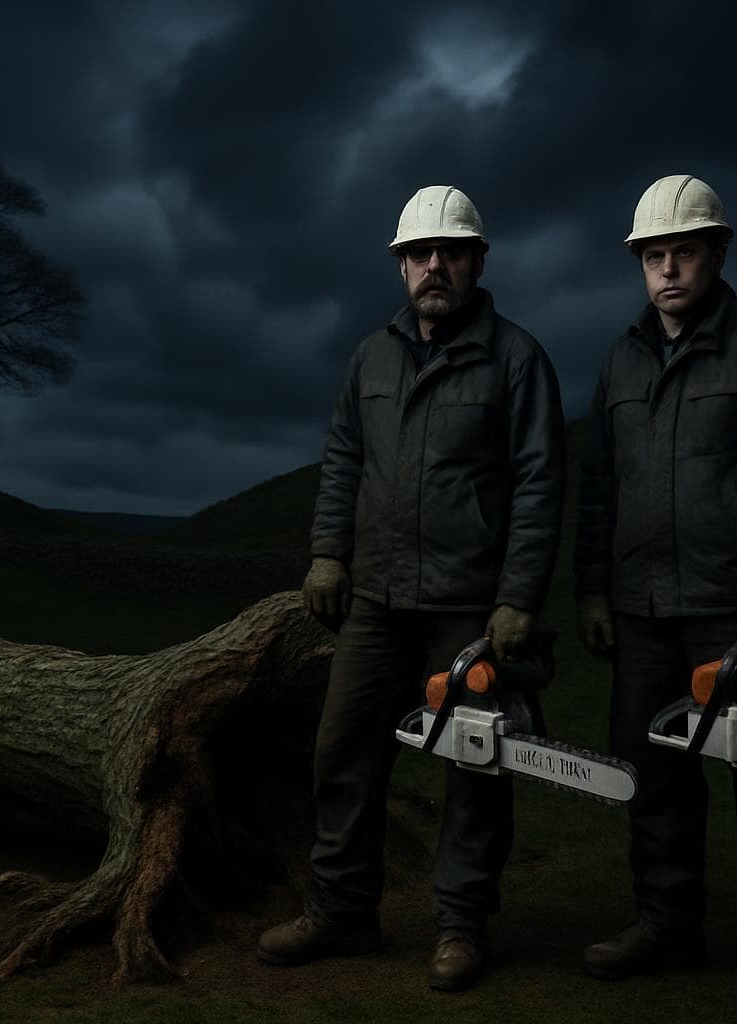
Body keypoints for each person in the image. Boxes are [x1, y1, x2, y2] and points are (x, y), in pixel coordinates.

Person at [256, 185, 566, 992]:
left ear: (476, 262)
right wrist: (329, 554)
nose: (435, 265)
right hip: (377, 599)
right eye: (420, 253)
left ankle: (461, 926)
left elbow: (540, 484)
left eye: (450, 252)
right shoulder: (372, 357)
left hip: (471, 604)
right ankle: (341, 912)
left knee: (474, 765)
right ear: (400, 265)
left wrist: (518, 598)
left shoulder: (517, 358)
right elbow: (342, 461)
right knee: (342, 751)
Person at [573, 174, 737, 1012]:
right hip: (642, 609)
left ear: (717, 253)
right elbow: (599, 486)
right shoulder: (620, 360)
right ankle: (666, 923)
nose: (668, 269)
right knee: (653, 774)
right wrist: (593, 592)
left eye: (683, 251)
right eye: (653, 256)